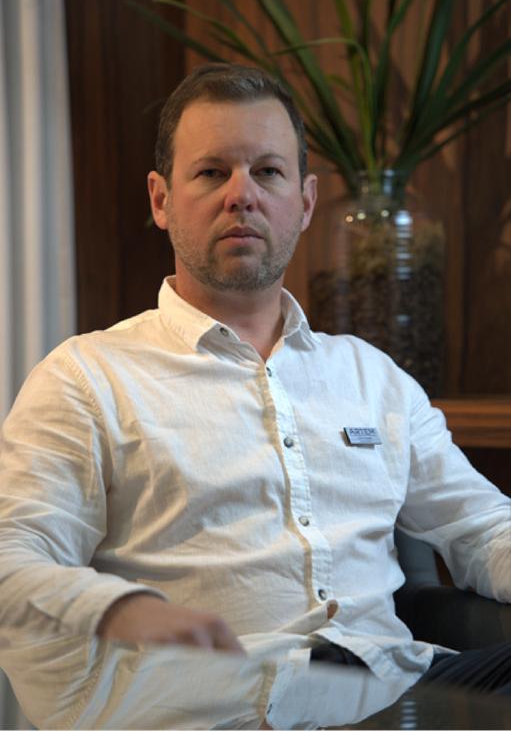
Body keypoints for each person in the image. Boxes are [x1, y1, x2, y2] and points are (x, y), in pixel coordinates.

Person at [0, 62, 510, 730]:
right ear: (160, 199)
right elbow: (13, 559)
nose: (241, 195)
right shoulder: (85, 378)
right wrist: (121, 610)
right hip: (220, 709)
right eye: (212, 172)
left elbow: (482, 527)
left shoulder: (373, 378)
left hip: (399, 689)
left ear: (304, 201)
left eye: (267, 172)